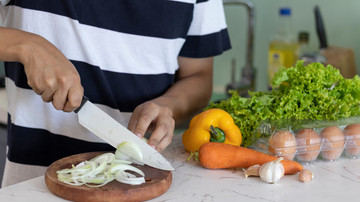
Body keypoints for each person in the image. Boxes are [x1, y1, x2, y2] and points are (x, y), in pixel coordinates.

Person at [0, 0, 231, 187]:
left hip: (142, 186)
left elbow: (198, 76)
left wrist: (168, 105)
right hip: (33, 191)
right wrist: (27, 46)